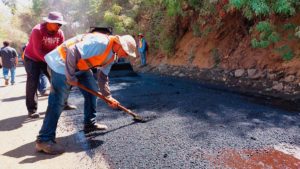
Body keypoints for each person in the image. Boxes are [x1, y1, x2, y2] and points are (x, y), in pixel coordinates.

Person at [35, 32, 137, 155]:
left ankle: (90, 123)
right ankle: (44, 139)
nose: (125, 56)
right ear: (119, 44)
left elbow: (103, 77)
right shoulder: (101, 43)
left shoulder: (113, 56)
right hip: (61, 62)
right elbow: (73, 51)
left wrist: (108, 97)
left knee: (92, 91)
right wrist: (70, 76)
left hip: (80, 66)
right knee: (58, 101)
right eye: (126, 52)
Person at [24, 11, 75, 119]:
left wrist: (63, 63)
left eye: (60, 24)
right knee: (32, 82)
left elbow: (62, 50)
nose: (59, 26)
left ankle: (63, 103)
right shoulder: (37, 30)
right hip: (32, 58)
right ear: (49, 22)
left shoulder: (60, 33)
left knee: (60, 79)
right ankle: (32, 110)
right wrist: (51, 61)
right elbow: (37, 50)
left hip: (48, 58)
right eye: (57, 23)